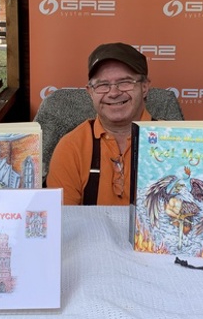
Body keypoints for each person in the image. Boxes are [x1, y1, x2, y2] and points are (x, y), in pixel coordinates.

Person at [46, 42, 152, 205]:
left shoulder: (175, 142)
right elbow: (62, 218)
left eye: (125, 82)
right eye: (103, 85)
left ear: (144, 87)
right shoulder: (71, 148)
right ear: (90, 92)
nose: (114, 93)